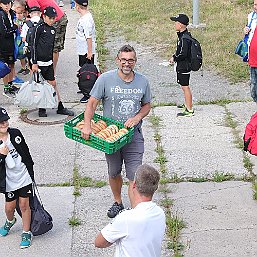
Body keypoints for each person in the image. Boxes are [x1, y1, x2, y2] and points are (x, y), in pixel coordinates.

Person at [81, 45, 152, 218]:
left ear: (135, 61)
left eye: (131, 60)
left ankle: (135, 212)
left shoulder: (143, 81)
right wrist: (87, 124)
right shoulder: (105, 79)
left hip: (133, 135)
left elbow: (147, 105)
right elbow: (91, 103)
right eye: (124, 60)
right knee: (113, 172)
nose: (127, 63)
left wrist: (137, 118)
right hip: (110, 137)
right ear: (117, 60)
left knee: (134, 175)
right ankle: (118, 202)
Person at [95, 164, 166, 257]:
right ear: (155, 188)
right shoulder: (160, 213)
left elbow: (99, 242)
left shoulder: (126, 218)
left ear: (134, 185)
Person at [30, 6, 74, 117]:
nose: (52, 20)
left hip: (48, 63)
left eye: (54, 18)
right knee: (40, 86)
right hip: (38, 63)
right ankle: (42, 108)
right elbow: (33, 46)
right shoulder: (38, 28)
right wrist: (34, 63)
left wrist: (52, 63)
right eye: (50, 18)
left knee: (53, 83)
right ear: (43, 16)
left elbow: (51, 48)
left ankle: (60, 106)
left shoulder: (53, 30)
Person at [0, 107, 34, 248]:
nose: (5, 124)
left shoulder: (15, 134)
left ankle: (26, 232)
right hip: (9, 180)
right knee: (9, 207)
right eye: (1, 122)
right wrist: (2, 155)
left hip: (23, 175)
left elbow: (26, 152)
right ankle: (10, 220)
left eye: (6, 120)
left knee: (24, 205)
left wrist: (30, 171)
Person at [26, 0, 68, 73]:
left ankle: (52, 71)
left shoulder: (31, 0)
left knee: (54, 47)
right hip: (57, 16)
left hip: (55, 19)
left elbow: (36, 16)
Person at [169, 14, 194, 117]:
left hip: (184, 66)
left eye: (176, 22)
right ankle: (187, 104)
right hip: (183, 65)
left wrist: (174, 58)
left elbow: (182, 54)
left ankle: (189, 109)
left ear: (180, 25)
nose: (175, 24)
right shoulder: (183, 36)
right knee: (184, 86)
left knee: (185, 87)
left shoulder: (184, 38)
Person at [75, 0, 96, 103]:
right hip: (82, 50)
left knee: (88, 73)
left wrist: (89, 52)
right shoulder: (85, 17)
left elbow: (89, 37)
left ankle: (88, 92)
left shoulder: (86, 20)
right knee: (83, 70)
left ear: (77, 6)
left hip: (86, 51)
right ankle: (84, 86)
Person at [0, 0, 20, 98]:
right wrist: (15, 27)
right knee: (5, 67)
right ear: (0, 4)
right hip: (3, 45)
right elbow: (4, 32)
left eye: (8, 3)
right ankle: (6, 88)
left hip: (11, 44)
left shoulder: (11, 13)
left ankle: (11, 84)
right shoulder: (1, 15)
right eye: (5, 4)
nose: (7, 6)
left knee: (12, 64)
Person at [12, 0, 30, 76]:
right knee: (19, 52)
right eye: (19, 13)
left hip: (25, 37)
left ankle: (28, 67)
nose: (20, 14)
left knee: (27, 52)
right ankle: (23, 66)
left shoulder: (25, 20)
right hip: (18, 38)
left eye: (22, 13)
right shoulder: (14, 19)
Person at [245, 0, 257, 103]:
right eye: (255, 4)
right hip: (252, 59)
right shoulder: (251, 16)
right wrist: (246, 29)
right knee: (253, 90)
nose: (255, 7)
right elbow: (248, 29)